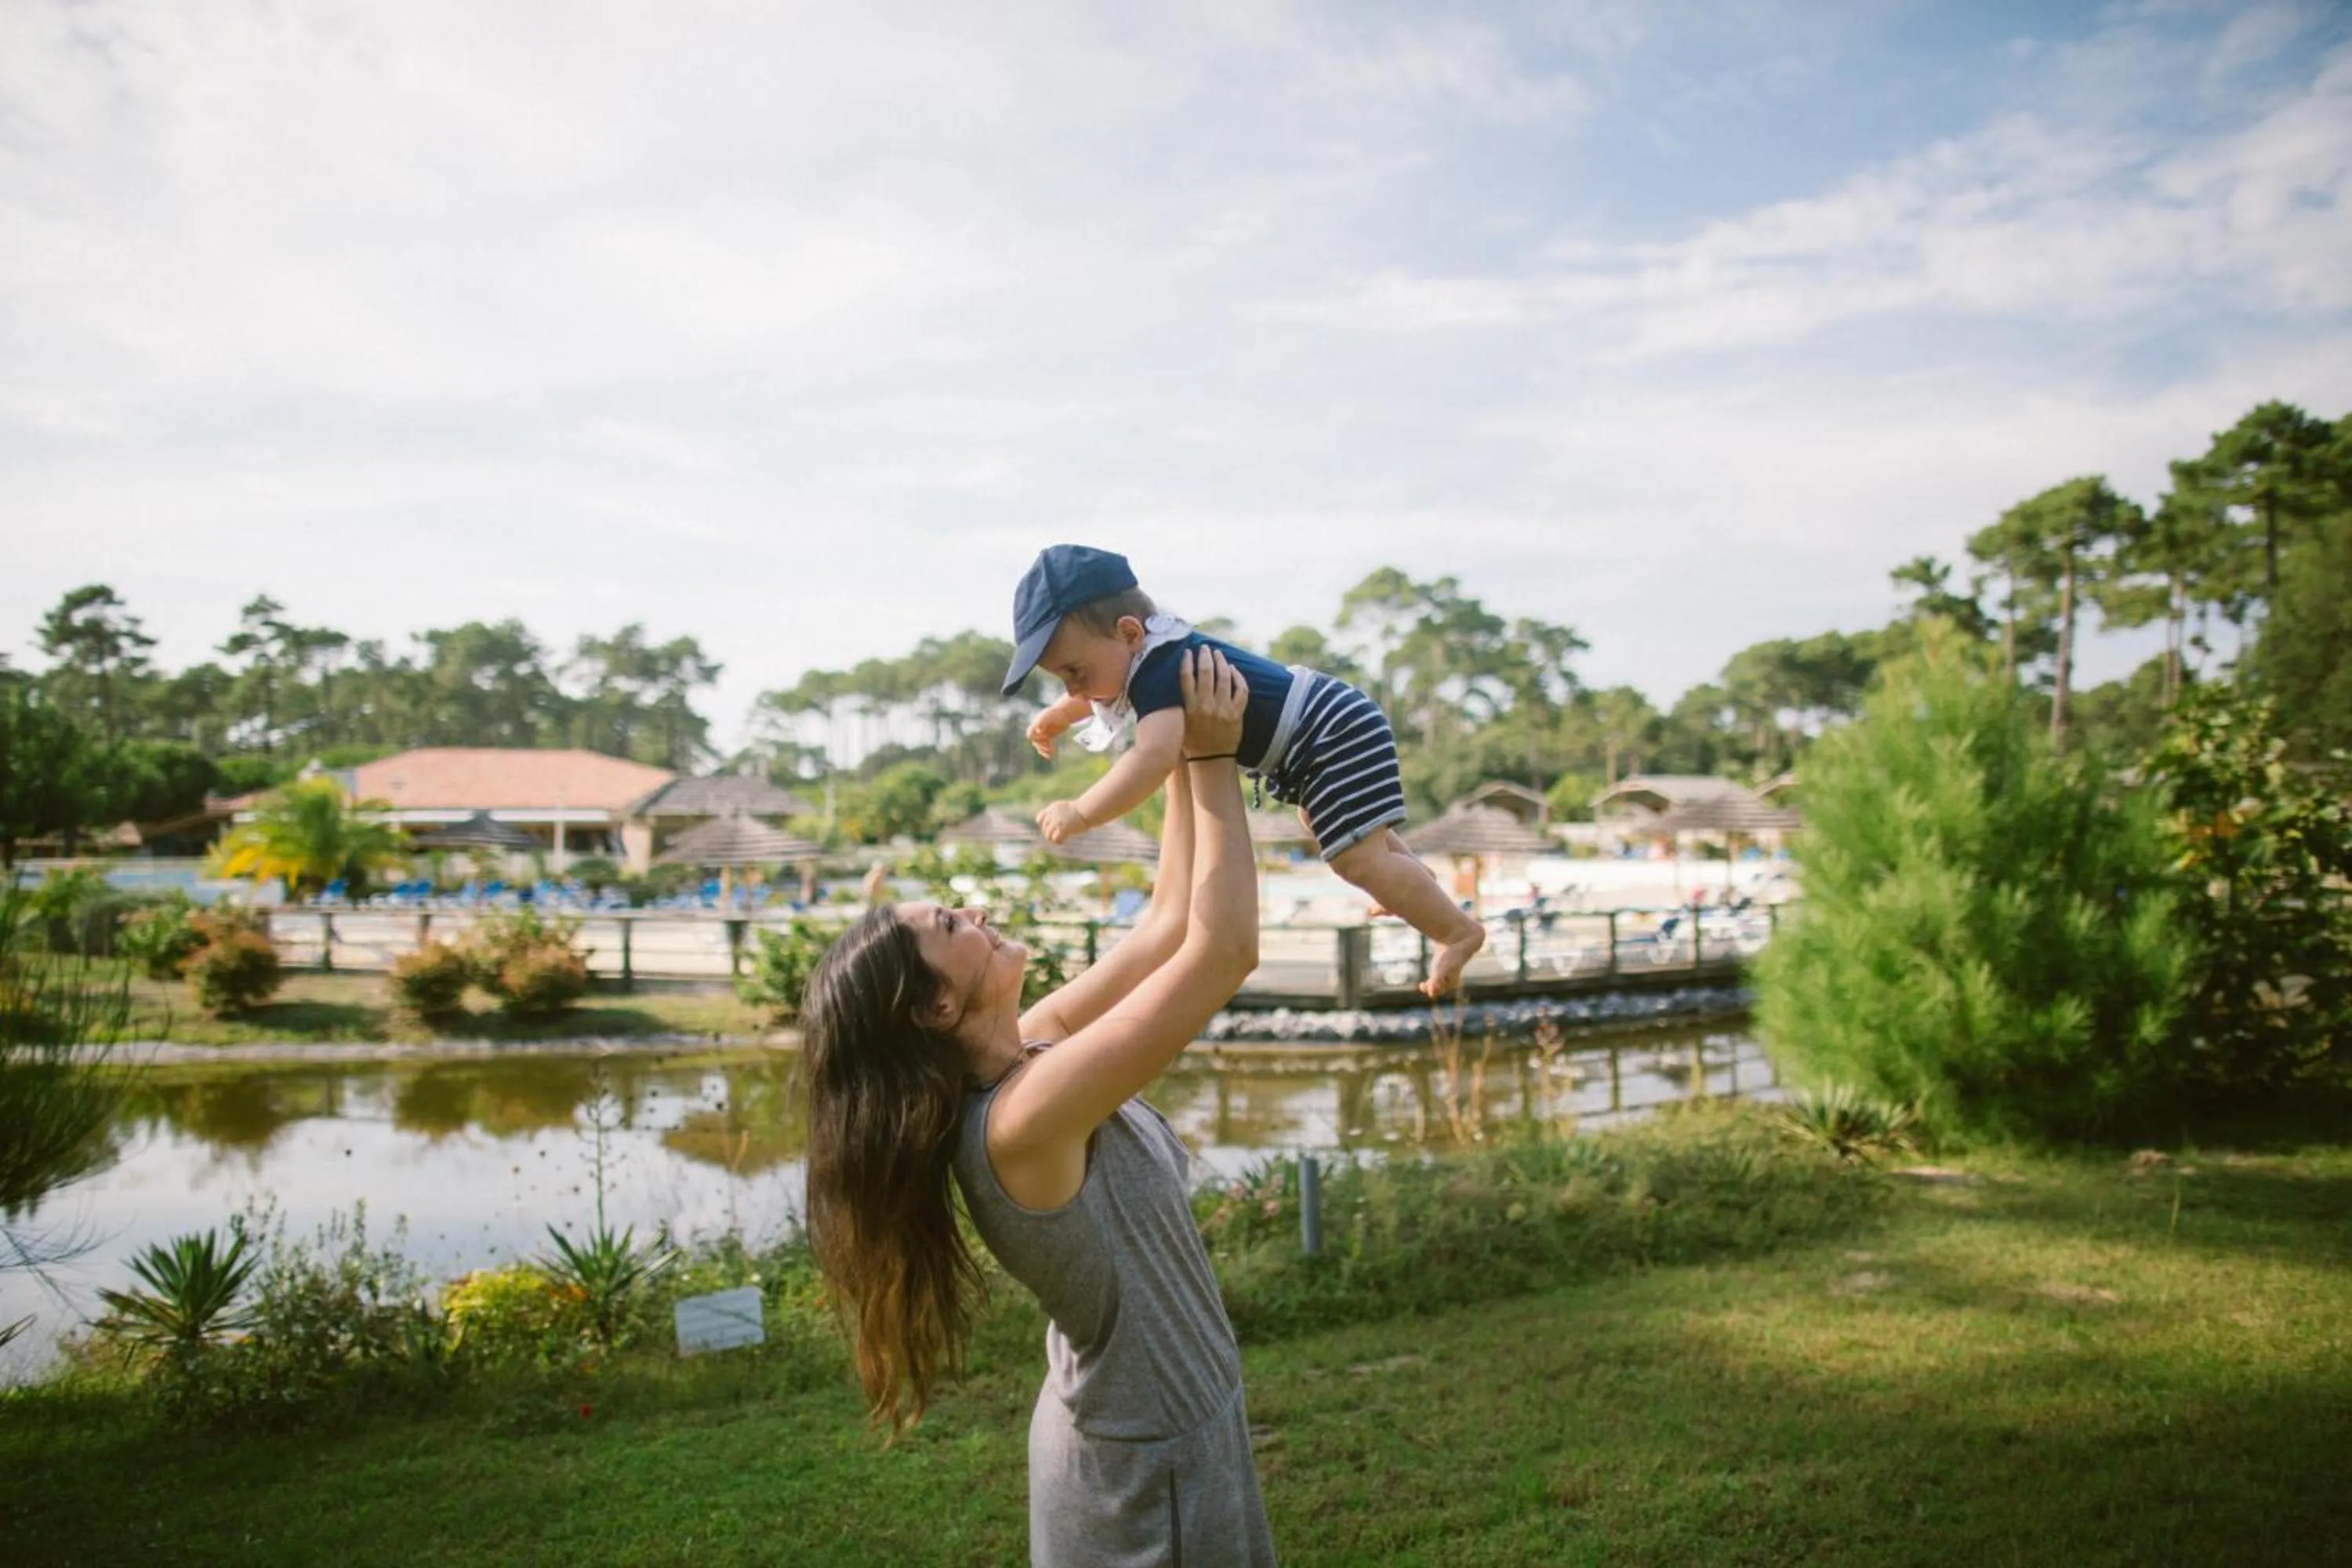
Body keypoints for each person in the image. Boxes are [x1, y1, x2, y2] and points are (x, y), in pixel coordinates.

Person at [801, 648, 1277, 1566]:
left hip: (1168, 1427)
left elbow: (1168, 926)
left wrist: (1180, 745)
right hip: (1146, 1469)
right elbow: (1224, 951)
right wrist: (1219, 758)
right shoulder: (1023, 1121)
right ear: (937, 1007)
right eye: (951, 925)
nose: (975, 913)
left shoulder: (1032, 1050)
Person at [1006, 543, 1484, 997]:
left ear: (1130, 634)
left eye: (1075, 673)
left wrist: (1082, 812)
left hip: (1327, 729)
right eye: (1064, 681)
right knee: (1326, 827)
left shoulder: (1157, 668)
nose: (1075, 691)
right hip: (1326, 722)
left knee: (1352, 860)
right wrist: (1059, 715)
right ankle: (1409, 880)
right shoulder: (1152, 653)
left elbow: (1152, 758)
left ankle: (1456, 932)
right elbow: (1105, 688)